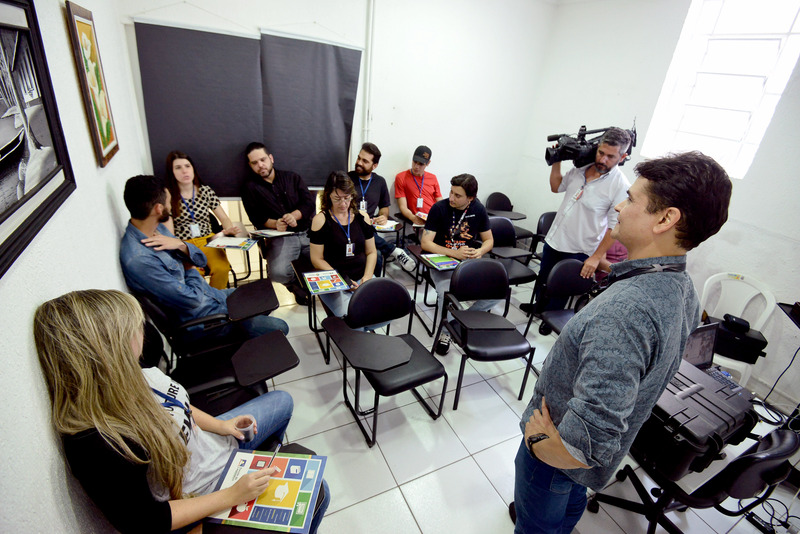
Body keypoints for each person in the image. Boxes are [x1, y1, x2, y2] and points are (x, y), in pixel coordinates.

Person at [511, 151, 732, 534]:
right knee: (567, 507)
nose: (619, 206)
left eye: (630, 199)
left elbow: (590, 440)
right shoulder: (681, 286)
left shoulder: (627, 311)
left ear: (665, 219)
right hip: (581, 470)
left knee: (537, 525)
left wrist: (538, 444)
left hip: (554, 454)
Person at [33, 289, 329, 534]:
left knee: (282, 401)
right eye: (133, 328)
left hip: (211, 445)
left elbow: (178, 404)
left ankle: (265, 456)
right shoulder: (98, 442)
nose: (142, 332)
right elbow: (150, 521)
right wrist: (232, 495)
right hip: (206, 487)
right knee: (320, 492)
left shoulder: (133, 372)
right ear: (109, 348)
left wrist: (222, 426)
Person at [120, 174, 288, 339]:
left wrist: (181, 245)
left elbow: (200, 260)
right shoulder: (140, 260)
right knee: (281, 327)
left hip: (211, 296)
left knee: (263, 298)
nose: (170, 206)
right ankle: (244, 338)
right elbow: (191, 300)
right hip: (204, 321)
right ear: (158, 209)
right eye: (168, 202)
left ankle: (250, 334)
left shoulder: (157, 229)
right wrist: (190, 268)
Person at [525, 127, 632, 314]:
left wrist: (596, 258)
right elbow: (556, 187)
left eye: (610, 157)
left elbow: (615, 226)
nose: (603, 160)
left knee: (560, 289)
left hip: (578, 249)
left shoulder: (620, 186)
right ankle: (538, 308)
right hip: (555, 239)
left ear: (622, 157)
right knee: (543, 280)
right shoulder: (580, 168)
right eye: (601, 153)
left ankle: (548, 320)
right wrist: (556, 160)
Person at [421, 173, 498, 355]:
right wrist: (454, 253)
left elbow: (489, 240)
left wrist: (480, 251)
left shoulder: (478, 209)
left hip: (466, 263)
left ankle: (458, 321)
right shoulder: (439, 208)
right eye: (451, 192)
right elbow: (425, 243)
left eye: (457, 195)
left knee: (496, 292)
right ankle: (446, 332)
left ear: (470, 198)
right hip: (441, 261)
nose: (451, 198)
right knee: (446, 292)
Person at [241, 142, 316, 305]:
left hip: (307, 232)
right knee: (277, 273)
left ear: (271, 158)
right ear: (250, 165)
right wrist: (276, 223)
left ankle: (312, 285)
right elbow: (256, 218)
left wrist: (294, 216)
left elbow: (309, 203)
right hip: (281, 236)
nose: (260, 165)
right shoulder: (249, 188)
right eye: (254, 163)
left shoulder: (293, 178)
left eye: (263, 160)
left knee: (331, 260)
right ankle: (295, 286)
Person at [164, 150, 239, 290]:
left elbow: (224, 217)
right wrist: (177, 248)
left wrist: (228, 229)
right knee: (195, 275)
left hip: (207, 240)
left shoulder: (205, 191)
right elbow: (169, 232)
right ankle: (203, 300)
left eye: (187, 166)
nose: (184, 171)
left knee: (222, 268)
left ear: (193, 169)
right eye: (178, 168)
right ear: (172, 172)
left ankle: (216, 298)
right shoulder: (169, 195)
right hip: (184, 244)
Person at [309, 171, 378, 321]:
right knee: (354, 317)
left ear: (352, 195)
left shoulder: (362, 217)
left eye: (347, 198)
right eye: (337, 198)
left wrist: (367, 277)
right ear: (328, 196)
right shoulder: (321, 220)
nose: (343, 204)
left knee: (378, 312)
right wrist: (342, 279)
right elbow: (316, 259)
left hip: (361, 276)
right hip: (335, 279)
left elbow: (372, 252)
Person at [348, 142, 416, 273]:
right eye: (359, 158)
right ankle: (394, 250)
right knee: (359, 222)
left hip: (368, 230)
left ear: (374, 166)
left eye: (365, 161)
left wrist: (383, 216)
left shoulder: (380, 182)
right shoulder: (347, 179)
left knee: (378, 255)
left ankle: (375, 283)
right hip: (348, 228)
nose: (359, 163)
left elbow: (384, 206)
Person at [394, 145, 444, 227]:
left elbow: (440, 201)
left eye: (421, 164)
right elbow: (403, 207)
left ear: (428, 163)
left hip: (434, 217)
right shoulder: (401, 177)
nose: (416, 167)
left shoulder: (433, 178)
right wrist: (413, 218)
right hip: (420, 221)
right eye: (414, 162)